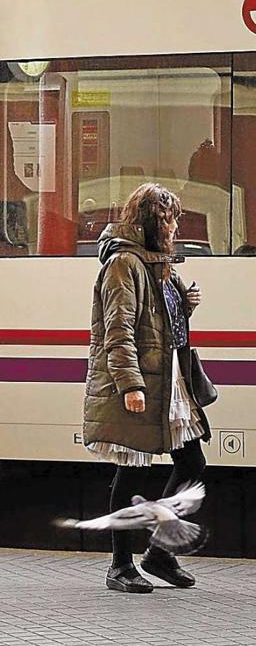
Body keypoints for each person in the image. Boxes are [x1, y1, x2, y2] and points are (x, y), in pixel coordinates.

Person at [83, 183, 209, 594]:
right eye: (167, 218)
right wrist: (129, 385)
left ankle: (159, 553)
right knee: (132, 469)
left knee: (192, 466)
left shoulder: (156, 262)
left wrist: (182, 303)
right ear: (150, 221)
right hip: (141, 382)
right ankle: (120, 565)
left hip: (168, 380)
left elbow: (156, 320)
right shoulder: (124, 263)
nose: (174, 226)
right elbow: (117, 331)